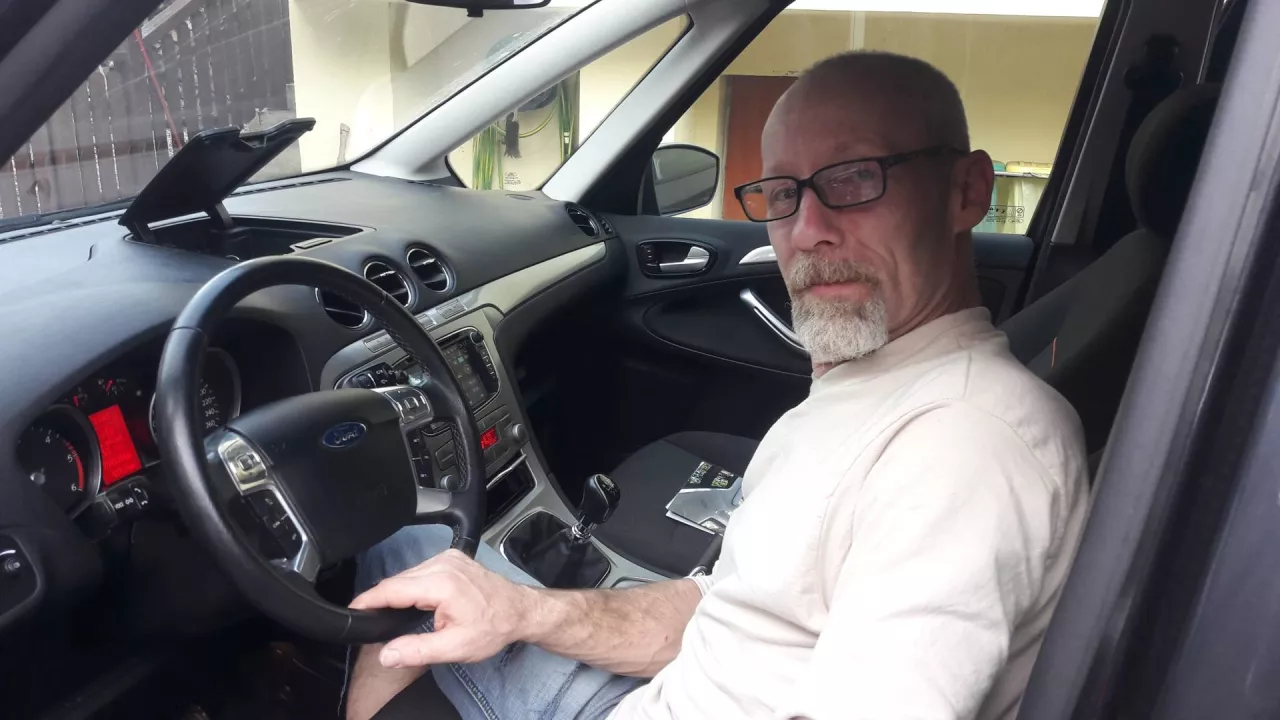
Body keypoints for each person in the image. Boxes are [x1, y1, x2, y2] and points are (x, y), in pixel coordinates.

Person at [346, 50, 1089, 720]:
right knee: (425, 557)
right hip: (664, 687)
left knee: (395, 546)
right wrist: (525, 613)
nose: (808, 230)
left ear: (966, 192)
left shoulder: (963, 448)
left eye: (856, 179)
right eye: (784, 193)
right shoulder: (887, 386)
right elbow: (729, 611)